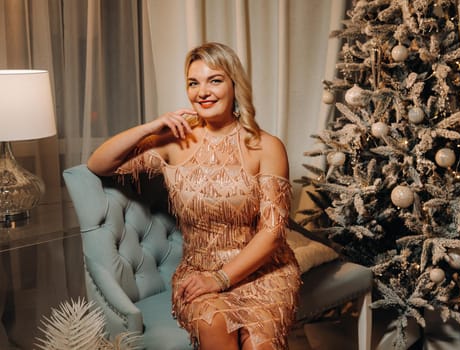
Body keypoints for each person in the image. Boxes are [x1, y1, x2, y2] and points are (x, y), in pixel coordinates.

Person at [87, 42, 301, 350]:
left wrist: (222, 279)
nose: (203, 91)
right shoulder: (174, 141)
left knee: (260, 344)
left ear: (233, 85)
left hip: (264, 271)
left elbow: (273, 232)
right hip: (199, 271)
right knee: (214, 327)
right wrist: (150, 127)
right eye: (193, 82)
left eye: (214, 80)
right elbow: (99, 163)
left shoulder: (266, 146)